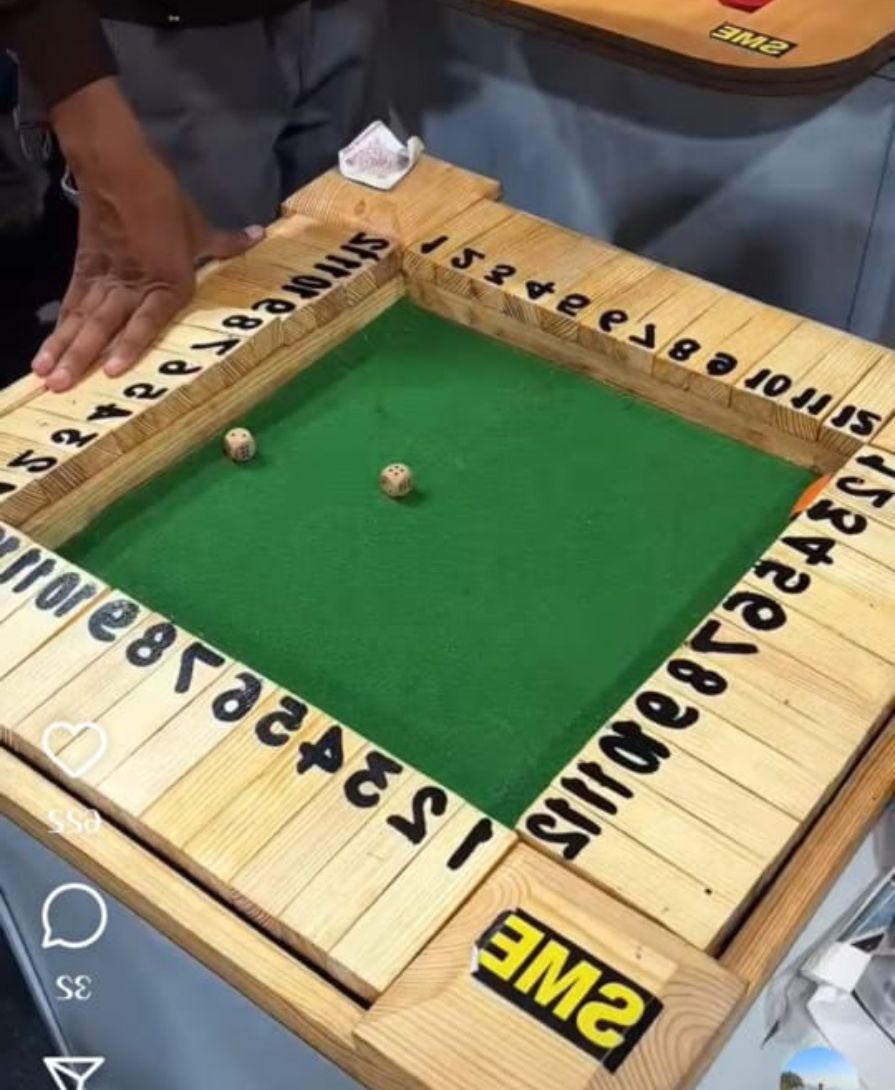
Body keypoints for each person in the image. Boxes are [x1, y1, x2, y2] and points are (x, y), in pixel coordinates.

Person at [0, 0, 385, 393]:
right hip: (156, 36)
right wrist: (85, 112)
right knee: (187, 333)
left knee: (356, 289)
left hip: (342, 15)